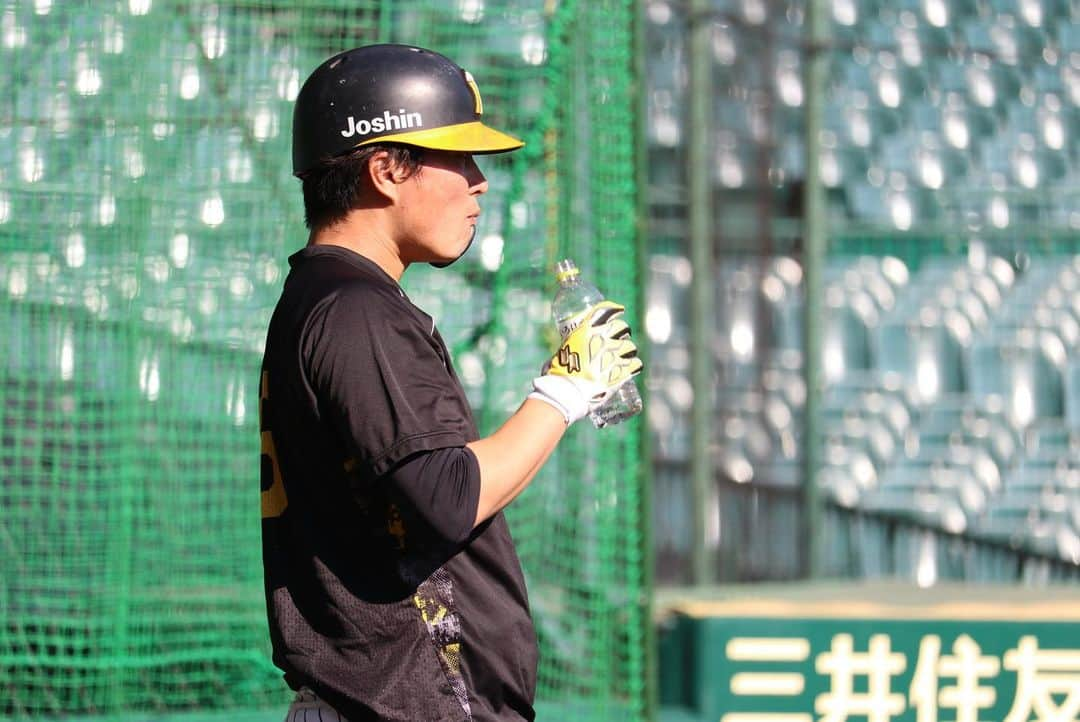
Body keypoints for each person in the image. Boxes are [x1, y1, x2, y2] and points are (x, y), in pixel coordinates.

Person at [258, 44, 643, 722]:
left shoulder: (331, 297)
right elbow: (447, 497)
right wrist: (566, 389)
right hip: (398, 705)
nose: (478, 181)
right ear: (384, 169)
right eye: (457, 157)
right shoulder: (355, 310)